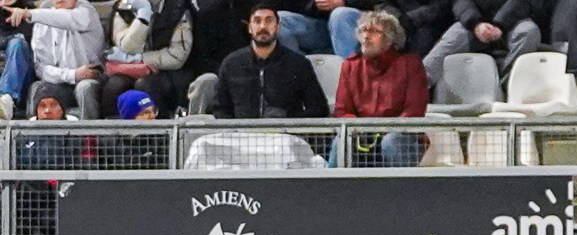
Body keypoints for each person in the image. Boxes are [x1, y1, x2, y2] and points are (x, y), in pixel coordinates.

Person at [332, 10, 429, 166]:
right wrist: (361, 129)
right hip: (362, 135)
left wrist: (385, 129)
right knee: (342, 141)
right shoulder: (350, 66)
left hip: (401, 136)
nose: (366, 36)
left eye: (374, 31)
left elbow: (414, 111)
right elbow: (342, 110)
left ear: (390, 39)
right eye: (363, 30)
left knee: (391, 141)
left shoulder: (410, 64)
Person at [212, 3, 329, 118]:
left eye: (269, 21)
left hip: (285, 130)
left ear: (278, 27)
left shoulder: (298, 64)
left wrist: (288, 117)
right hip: (242, 130)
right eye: (257, 21)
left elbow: (319, 109)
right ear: (249, 28)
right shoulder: (231, 64)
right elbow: (220, 109)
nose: (263, 26)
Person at [5, 0, 105, 119]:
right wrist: (73, 74)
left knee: (84, 88)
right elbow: (42, 69)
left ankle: (89, 131)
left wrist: (30, 14)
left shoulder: (87, 12)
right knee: (38, 87)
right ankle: (33, 131)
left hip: (91, 77)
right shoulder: (41, 23)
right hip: (60, 81)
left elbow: (68, 19)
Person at [99, 0, 194, 118]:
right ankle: (111, 129)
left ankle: (161, 127)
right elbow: (128, 46)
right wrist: (144, 15)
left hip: (168, 71)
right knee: (114, 86)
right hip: (129, 68)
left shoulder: (179, 8)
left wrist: (141, 58)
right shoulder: (124, 5)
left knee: (145, 85)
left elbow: (176, 57)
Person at [422, 0, 540, 86]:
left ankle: (507, 88)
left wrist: (499, 24)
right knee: (452, 38)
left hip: (514, 21)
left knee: (529, 33)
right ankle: (418, 86)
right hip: (474, 24)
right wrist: (476, 24)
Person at [0, 0, 35, 119]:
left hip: (24, 77)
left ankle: (6, 99)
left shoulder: (31, 12)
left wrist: (25, 15)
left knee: (17, 43)